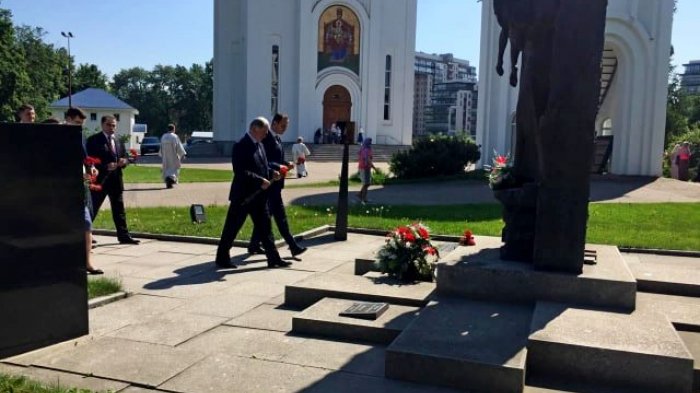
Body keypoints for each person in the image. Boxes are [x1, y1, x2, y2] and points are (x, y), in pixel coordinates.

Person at [216, 117, 291, 269]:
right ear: (254, 129)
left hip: (259, 196)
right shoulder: (241, 145)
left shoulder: (260, 145)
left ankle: (273, 258)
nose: (266, 135)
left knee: (266, 228)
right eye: (264, 132)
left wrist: (272, 173)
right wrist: (260, 180)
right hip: (243, 196)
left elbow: (262, 167)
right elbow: (240, 171)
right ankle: (222, 257)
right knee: (232, 228)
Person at [248, 113, 307, 257]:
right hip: (269, 184)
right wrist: (279, 166)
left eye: (286, 125)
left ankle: (254, 245)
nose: (285, 128)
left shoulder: (277, 138)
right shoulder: (266, 138)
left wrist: (287, 164)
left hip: (276, 184)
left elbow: (277, 158)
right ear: (274, 123)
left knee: (266, 217)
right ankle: (293, 246)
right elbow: (264, 161)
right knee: (280, 217)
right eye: (283, 125)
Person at [86, 115, 140, 245]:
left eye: (114, 125)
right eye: (109, 125)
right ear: (102, 125)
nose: (112, 128)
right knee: (92, 209)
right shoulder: (94, 140)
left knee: (119, 209)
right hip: (100, 180)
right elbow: (89, 161)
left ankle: (124, 236)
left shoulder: (118, 140)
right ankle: (84, 235)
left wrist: (125, 161)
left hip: (116, 180)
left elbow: (125, 156)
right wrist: (104, 166)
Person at [65, 107, 103, 274]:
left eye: (81, 124)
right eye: (77, 123)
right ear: (68, 119)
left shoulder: (80, 135)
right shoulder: (57, 136)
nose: (79, 127)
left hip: (81, 189)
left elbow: (85, 157)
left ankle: (88, 262)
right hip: (63, 190)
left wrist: (91, 168)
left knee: (86, 224)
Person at [159, 124, 187, 188]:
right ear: (173, 129)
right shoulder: (175, 136)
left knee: (166, 169)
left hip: (165, 157)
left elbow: (161, 147)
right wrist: (183, 154)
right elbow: (179, 146)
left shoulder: (163, 136)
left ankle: (168, 182)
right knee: (174, 168)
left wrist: (161, 154)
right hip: (173, 156)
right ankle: (171, 180)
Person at [357, 137, 376, 204]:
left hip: (363, 167)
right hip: (365, 168)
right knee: (366, 184)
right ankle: (363, 198)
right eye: (370, 141)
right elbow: (367, 159)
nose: (371, 143)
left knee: (367, 184)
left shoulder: (363, 149)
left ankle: (360, 194)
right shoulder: (367, 150)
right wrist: (374, 167)